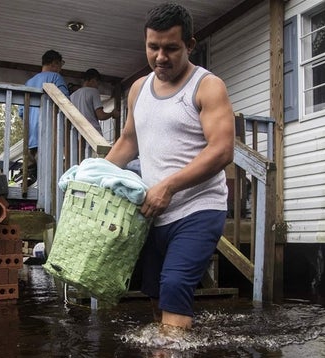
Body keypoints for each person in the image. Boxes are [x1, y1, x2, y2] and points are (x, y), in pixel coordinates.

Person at [105, 2, 235, 331]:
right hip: (153, 211)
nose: (161, 57)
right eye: (153, 47)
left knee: (175, 284)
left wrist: (169, 186)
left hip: (199, 207)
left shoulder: (207, 86)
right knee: (153, 290)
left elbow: (222, 150)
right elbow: (127, 141)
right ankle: (165, 357)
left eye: (171, 48)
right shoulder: (138, 89)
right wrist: (96, 177)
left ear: (190, 45)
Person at [19, 50, 69, 184]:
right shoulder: (55, 78)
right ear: (54, 63)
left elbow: (21, 112)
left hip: (30, 138)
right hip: (48, 137)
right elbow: (65, 104)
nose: (60, 68)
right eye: (60, 64)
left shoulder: (29, 82)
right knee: (50, 179)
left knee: (31, 177)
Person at [70, 68, 119, 156]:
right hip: (93, 133)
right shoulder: (93, 91)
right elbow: (101, 115)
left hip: (77, 135)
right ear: (93, 80)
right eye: (97, 83)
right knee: (97, 160)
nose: (97, 86)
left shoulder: (72, 96)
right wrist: (112, 113)